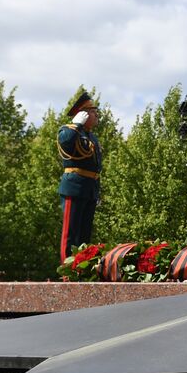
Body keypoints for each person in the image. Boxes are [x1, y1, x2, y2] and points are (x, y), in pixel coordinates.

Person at [57, 90, 102, 260]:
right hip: (74, 187)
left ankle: (81, 269)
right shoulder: (69, 131)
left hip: (89, 189)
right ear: (82, 114)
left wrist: (96, 192)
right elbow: (66, 142)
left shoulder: (91, 137)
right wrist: (75, 125)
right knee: (70, 234)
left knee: (84, 237)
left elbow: (95, 168)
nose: (96, 115)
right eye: (92, 111)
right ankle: (67, 272)